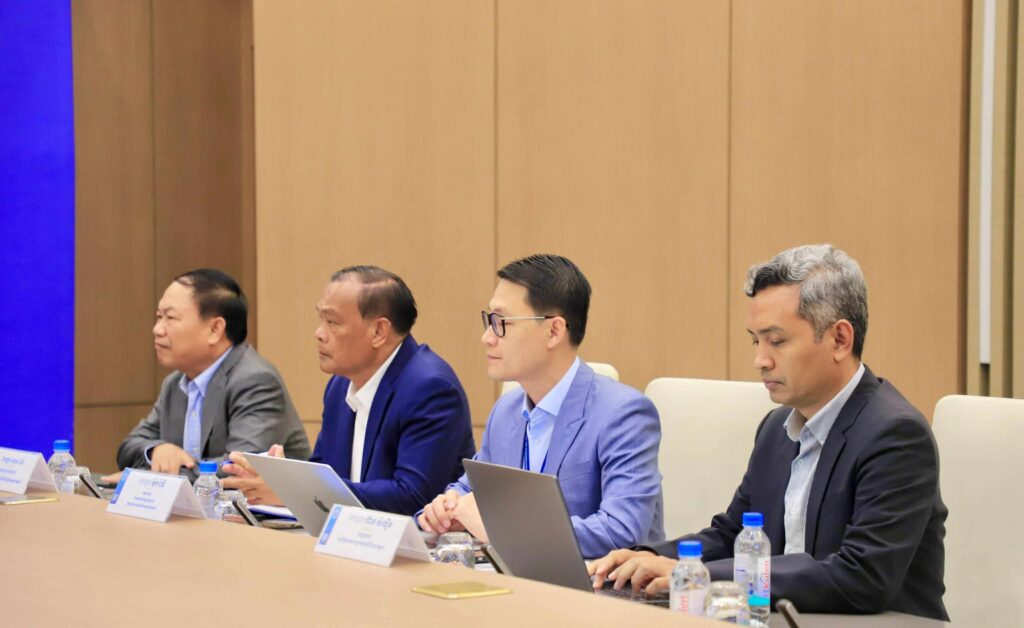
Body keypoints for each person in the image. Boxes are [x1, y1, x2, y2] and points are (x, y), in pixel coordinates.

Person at [589, 244, 948, 620]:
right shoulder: (777, 428)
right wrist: (651, 558)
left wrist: (701, 575)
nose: (760, 360)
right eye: (755, 340)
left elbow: (861, 576)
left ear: (840, 339)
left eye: (777, 341)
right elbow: (733, 535)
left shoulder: (896, 435)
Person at [417, 254, 664, 559]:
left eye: (501, 323)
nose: (487, 338)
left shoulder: (624, 414)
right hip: (518, 580)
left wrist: (503, 530)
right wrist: (449, 506)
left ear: (554, 331)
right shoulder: (505, 411)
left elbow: (622, 530)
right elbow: (472, 489)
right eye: (488, 321)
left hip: (599, 585)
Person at [223, 266, 475, 516]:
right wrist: (284, 475)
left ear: (379, 332)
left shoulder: (430, 388)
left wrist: (292, 489)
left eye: (332, 322)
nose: (319, 333)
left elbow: (412, 497)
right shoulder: (340, 385)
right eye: (321, 319)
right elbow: (325, 470)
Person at [113, 269, 310, 479]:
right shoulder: (176, 383)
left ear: (215, 329)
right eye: (159, 317)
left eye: (170, 318)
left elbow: (238, 468)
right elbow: (128, 448)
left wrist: (149, 477)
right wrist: (157, 451)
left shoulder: (255, 380)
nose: (157, 329)